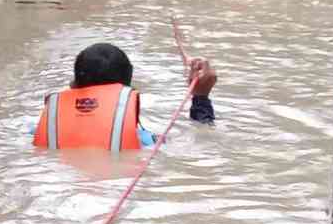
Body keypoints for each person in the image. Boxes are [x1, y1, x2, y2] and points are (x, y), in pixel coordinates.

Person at [32, 43, 216, 152]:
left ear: (73, 86)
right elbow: (202, 136)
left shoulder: (40, 130)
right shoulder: (144, 140)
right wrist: (201, 97)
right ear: (127, 93)